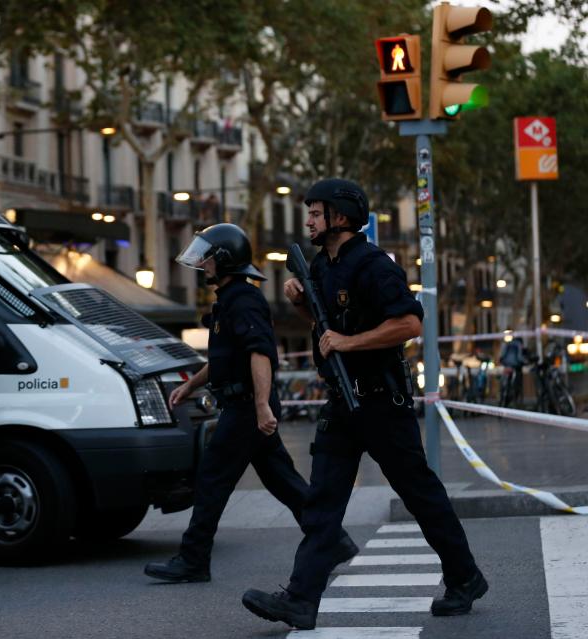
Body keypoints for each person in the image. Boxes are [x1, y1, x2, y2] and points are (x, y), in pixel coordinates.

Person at [242, 179, 486, 630]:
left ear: (339, 216)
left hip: (380, 401)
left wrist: (350, 342)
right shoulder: (322, 265)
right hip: (341, 401)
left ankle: (465, 576)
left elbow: (410, 323)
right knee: (323, 502)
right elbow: (326, 327)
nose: (309, 220)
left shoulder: (374, 265)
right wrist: (301, 303)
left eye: (316, 213)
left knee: (420, 495)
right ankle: (300, 600)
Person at [143, 223, 357, 584]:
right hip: (246, 405)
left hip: (245, 408)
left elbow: (261, 354)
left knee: (212, 479)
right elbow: (226, 358)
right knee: (284, 482)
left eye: (208, 256)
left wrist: (261, 407)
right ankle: (332, 540)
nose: (202, 263)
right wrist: (191, 386)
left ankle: (194, 559)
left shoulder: (243, 300)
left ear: (224, 260)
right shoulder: (230, 299)